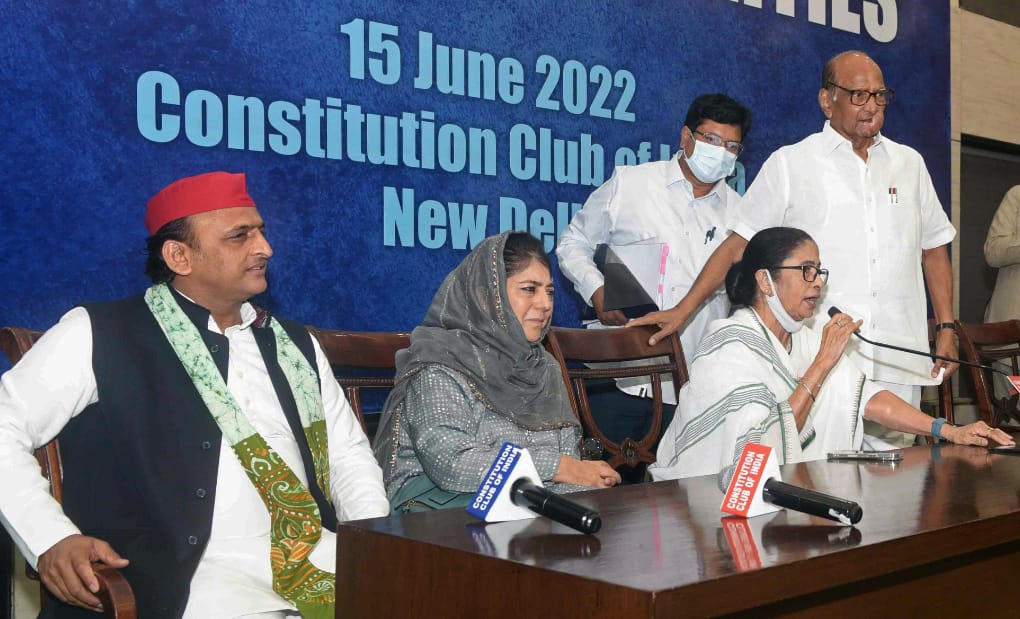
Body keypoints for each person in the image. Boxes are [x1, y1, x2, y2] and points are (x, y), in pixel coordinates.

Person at [0, 172, 389, 618]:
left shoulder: (295, 344)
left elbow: (347, 456)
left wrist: (371, 545)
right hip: (189, 578)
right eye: (240, 236)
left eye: (260, 231)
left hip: (314, 552)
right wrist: (51, 538)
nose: (265, 248)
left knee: (444, 592)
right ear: (179, 255)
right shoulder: (99, 332)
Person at [632, 51, 956, 450]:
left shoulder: (911, 165)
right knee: (826, 481)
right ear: (826, 100)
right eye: (858, 95)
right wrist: (683, 310)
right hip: (821, 359)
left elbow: (934, 248)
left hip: (897, 355)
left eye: (879, 95)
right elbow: (737, 245)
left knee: (900, 484)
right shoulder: (791, 164)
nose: (871, 106)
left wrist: (946, 326)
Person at [649, 227, 1013, 481]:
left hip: (785, 495)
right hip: (704, 500)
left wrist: (948, 430)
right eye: (806, 271)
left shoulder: (802, 338)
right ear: (765, 281)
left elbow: (866, 398)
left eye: (819, 271)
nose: (818, 282)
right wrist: (823, 363)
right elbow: (754, 449)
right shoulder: (728, 344)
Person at [555, 93, 751, 452]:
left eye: (731, 146)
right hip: (620, 377)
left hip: (696, 388)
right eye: (710, 140)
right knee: (614, 499)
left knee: (688, 501)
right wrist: (596, 289)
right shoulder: (632, 184)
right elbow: (573, 242)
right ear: (685, 137)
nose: (720, 151)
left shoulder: (741, 216)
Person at [373, 231, 621, 512]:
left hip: (526, 502)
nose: (545, 304)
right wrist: (559, 467)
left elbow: (566, 462)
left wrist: (584, 480)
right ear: (487, 294)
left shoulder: (544, 366)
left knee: (604, 506)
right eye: (530, 289)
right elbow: (451, 464)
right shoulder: (439, 365)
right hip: (437, 510)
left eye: (549, 291)